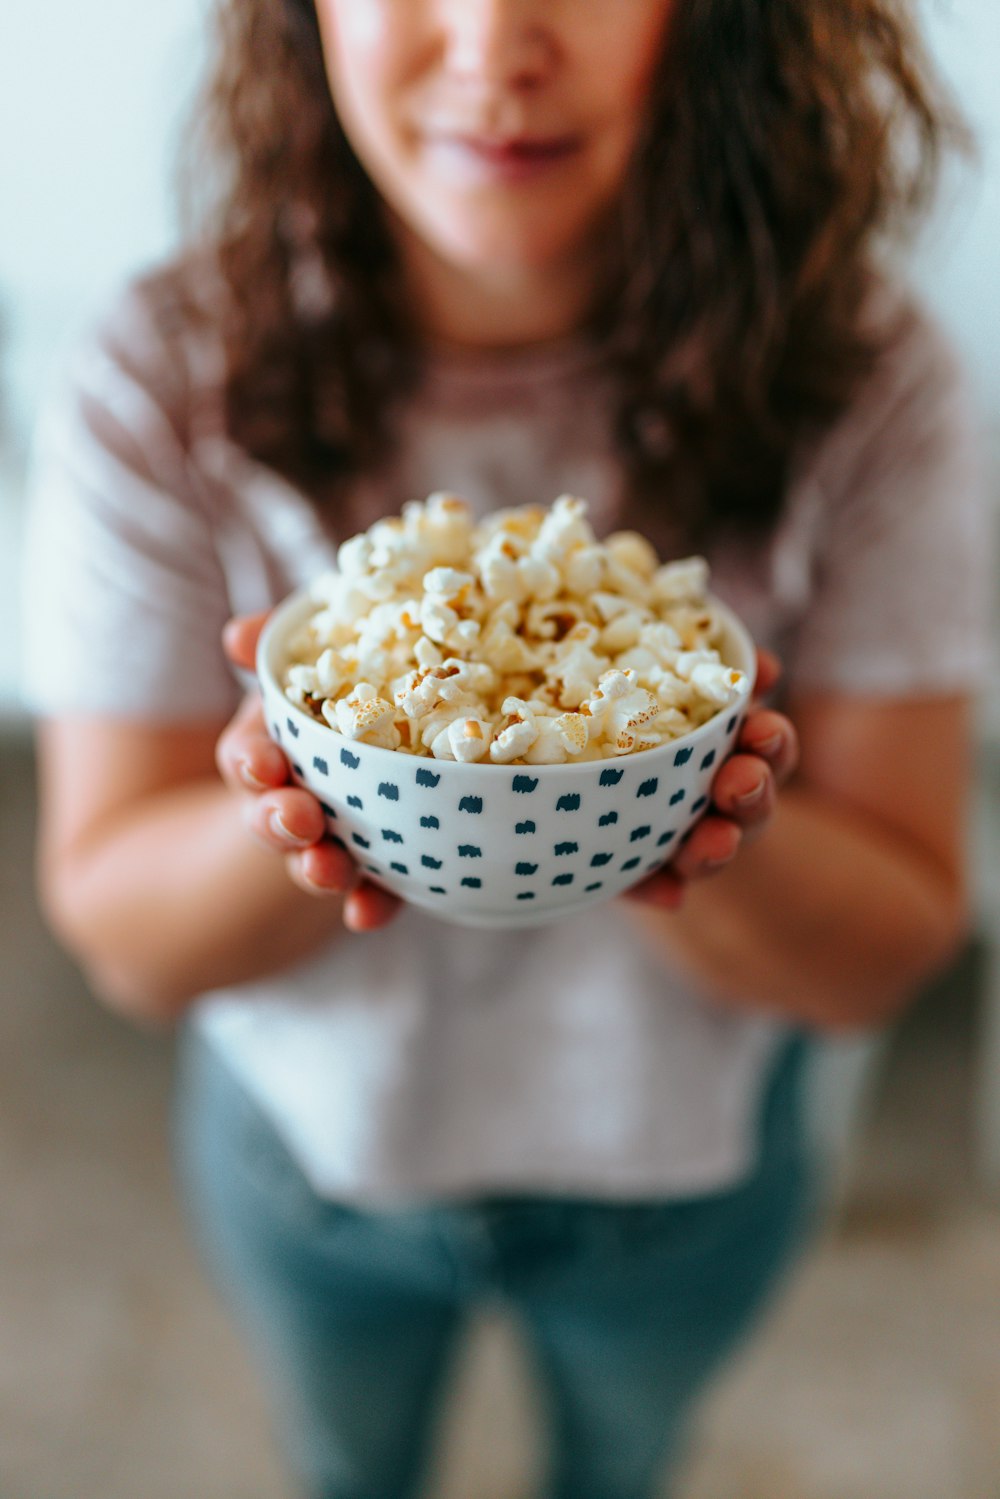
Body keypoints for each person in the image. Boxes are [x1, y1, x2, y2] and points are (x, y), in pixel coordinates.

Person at [22, 2, 992, 1496]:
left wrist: (690, 807)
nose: (492, 43)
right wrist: (302, 794)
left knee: (619, 1467)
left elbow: (889, 946)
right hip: (312, 1162)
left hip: (686, 1179)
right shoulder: (163, 373)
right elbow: (129, 943)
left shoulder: (876, 387)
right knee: (350, 1467)